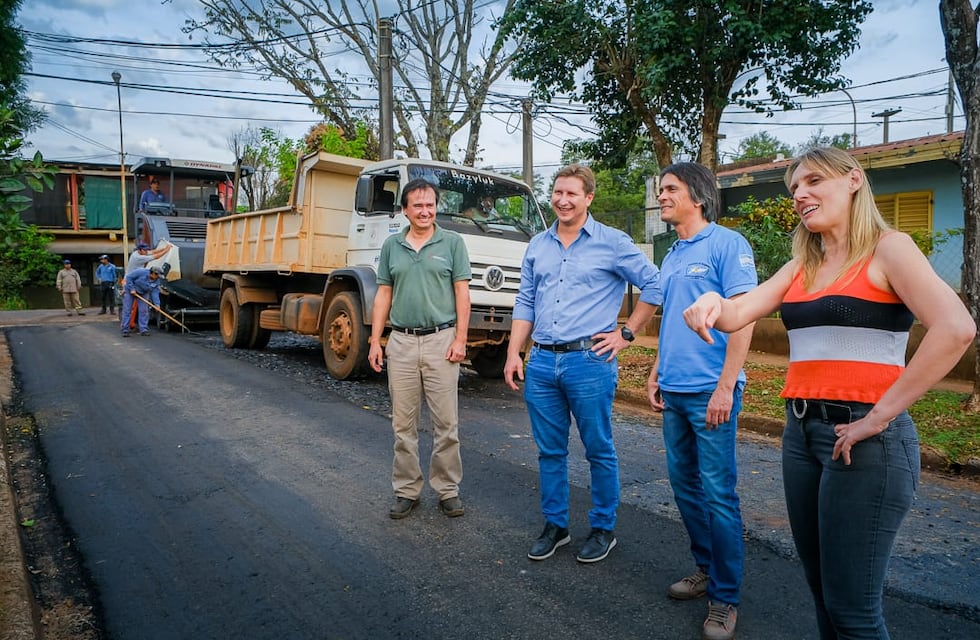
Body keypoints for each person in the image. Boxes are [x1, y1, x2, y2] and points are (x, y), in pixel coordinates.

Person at [682, 147, 975, 640]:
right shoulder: (803, 263)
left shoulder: (889, 248)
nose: (801, 194)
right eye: (795, 187)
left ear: (854, 180)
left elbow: (956, 329)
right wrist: (713, 299)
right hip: (800, 433)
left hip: (866, 440)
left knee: (853, 610)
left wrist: (879, 416)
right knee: (823, 594)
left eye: (814, 181)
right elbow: (737, 313)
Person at [503, 163, 660, 564]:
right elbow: (525, 301)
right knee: (549, 451)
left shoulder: (612, 242)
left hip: (589, 361)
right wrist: (514, 352)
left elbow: (656, 283)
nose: (563, 200)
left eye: (572, 193)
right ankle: (555, 526)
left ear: (589, 197)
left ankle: (603, 528)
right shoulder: (538, 245)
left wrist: (627, 333)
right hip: (542, 362)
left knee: (598, 449)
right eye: (558, 192)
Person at [645, 162, 758, 640]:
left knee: (718, 495)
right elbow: (672, 318)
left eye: (670, 189)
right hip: (674, 388)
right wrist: (657, 369)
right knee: (684, 488)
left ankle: (725, 598)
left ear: (697, 195)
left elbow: (745, 317)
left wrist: (726, 387)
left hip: (711, 391)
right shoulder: (672, 253)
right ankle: (707, 569)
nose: (662, 196)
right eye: (661, 189)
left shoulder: (728, 244)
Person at [368, 178, 472, 520]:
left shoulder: (452, 243)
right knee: (403, 425)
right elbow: (383, 294)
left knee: (446, 424)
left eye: (430, 205)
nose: (425, 211)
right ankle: (406, 490)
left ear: (436, 207)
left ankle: (447, 490)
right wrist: (375, 340)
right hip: (401, 343)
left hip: (442, 340)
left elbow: (462, 294)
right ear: (405, 210)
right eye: (418, 205)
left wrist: (460, 339)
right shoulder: (392, 246)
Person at [120, 265, 165, 337]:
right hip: (130, 291)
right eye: (157, 275)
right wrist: (132, 289)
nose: (158, 277)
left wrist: (157, 304)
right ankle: (125, 330)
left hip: (143, 293)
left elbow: (155, 292)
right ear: (153, 273)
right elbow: (129, 277)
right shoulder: (141, 272)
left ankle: (143, 329)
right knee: (127, 310)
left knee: (144, 310)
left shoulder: (157, 281)